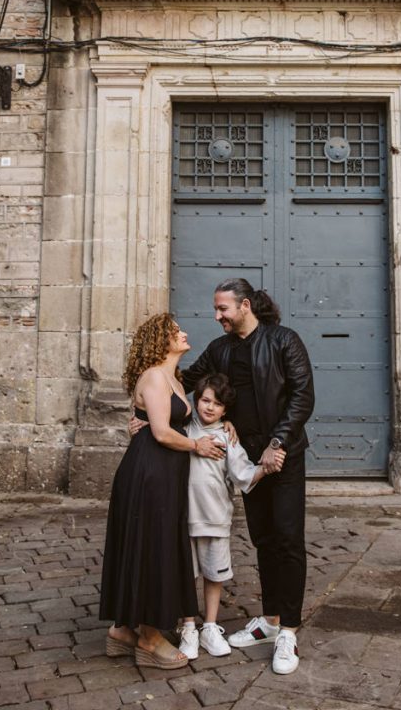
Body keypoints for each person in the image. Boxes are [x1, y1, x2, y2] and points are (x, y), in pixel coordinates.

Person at [181, 279, 315, 676]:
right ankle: (270, 622)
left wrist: (278, 442)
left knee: (288, 539)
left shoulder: (283, 340)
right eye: (216, 309)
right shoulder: (219, 349)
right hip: (248, 461)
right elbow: (184, 382)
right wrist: (143, 408)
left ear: (244, 306)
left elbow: (302, 395)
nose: (217, 315)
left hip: (283, 456)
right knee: (264, 539)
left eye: (223, 309)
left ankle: (289, 630)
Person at [100, 313, 225, 670]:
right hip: (149, 474)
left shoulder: (172, 377)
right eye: (176, 331)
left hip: (163, 473)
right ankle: (150, 639)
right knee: (151, 547)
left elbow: (160, 420)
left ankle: (122, 631)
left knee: (147, 544)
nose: (184, 334)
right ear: (161, 341)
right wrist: (197, 446)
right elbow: (160, 432)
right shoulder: (155, 376)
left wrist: (224, 421)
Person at [177, 373, 285, 661]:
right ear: (196, 400)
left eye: (218, 404)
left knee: (214, 573)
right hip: (183, 517)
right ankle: (188, 626)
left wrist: (266, 467)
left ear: (226, 410)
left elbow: (243, 474)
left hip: (214, 517)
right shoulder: (184, 429)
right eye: (205, 400)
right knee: (186, 573)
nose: (210, 408)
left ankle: (210, 626)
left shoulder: (227, 437)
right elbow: (159, 431)